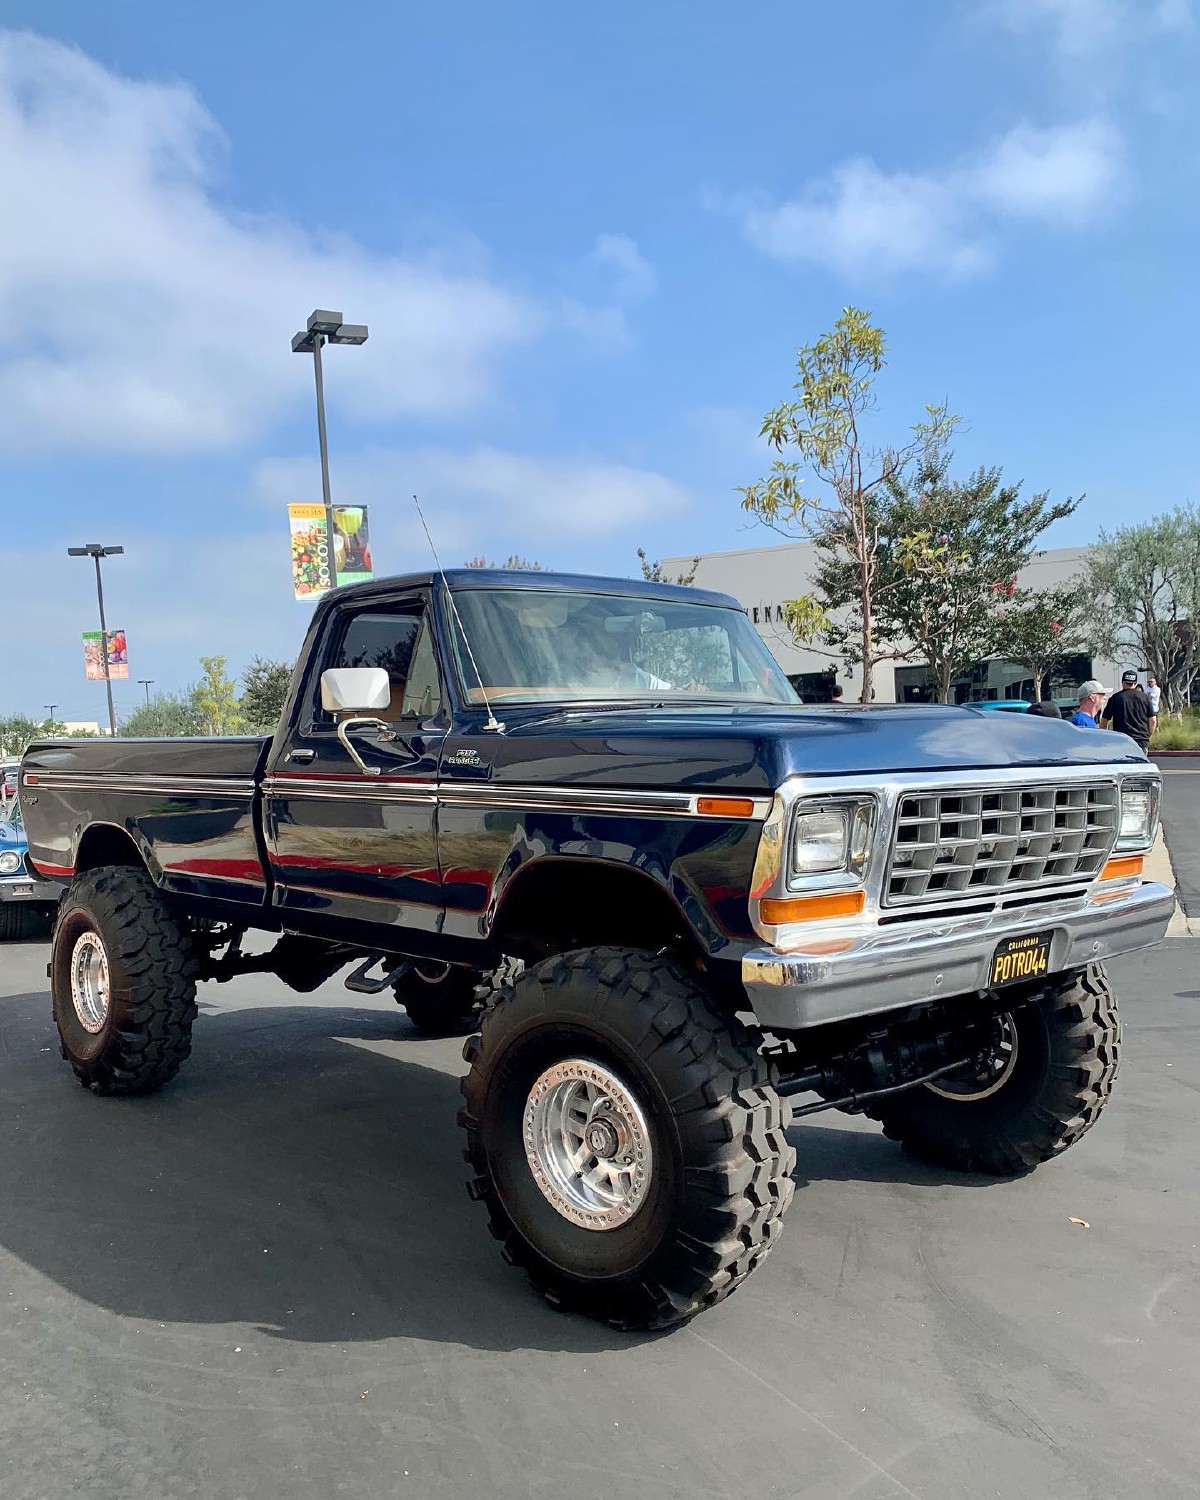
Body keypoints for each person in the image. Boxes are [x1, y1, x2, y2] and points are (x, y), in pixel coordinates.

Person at [1100, 670, 1156, 752]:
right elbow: (1153, 720)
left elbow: (1104, 721)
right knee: (1140, 764)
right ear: (1135, 683)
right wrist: (1147, 735)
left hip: (1120, 741)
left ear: (1122, 682)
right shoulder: (1145, 697)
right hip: (1140, 741)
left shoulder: (1115, 698)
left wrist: (1107, 738)